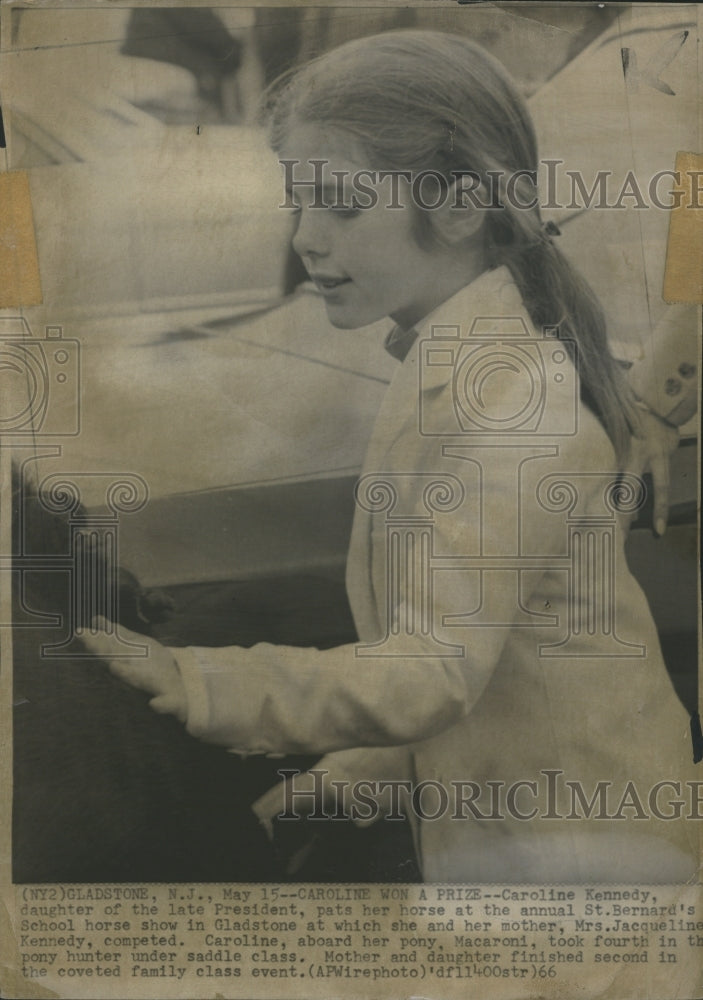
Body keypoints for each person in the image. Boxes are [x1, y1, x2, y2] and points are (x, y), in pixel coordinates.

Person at [84, 31, 698, 883]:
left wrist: (196, 682)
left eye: (340, 205)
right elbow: (491, 674)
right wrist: (342, 784)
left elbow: (433, 674)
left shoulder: (515, 410)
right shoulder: (450, 371)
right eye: (299, 205)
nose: (305, 239)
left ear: (454, 207)